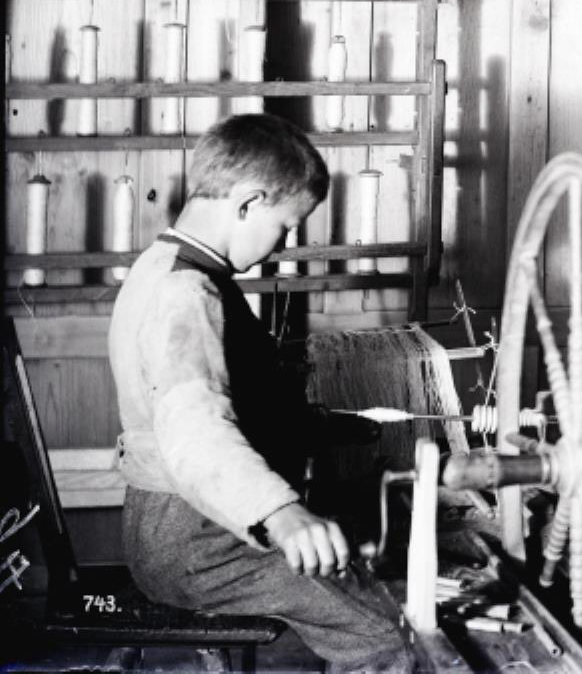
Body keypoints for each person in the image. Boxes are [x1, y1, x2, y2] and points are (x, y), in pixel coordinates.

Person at [108, 113, 412, 674]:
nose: (282, 244)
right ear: (247, 203)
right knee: (383, 633)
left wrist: (328, 424)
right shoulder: (186, 292)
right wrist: (280, 512)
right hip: (199, 542)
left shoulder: (166, 266)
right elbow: (195, 433)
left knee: (369, 556)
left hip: (184, 525)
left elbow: (236, 401)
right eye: (284, 225)